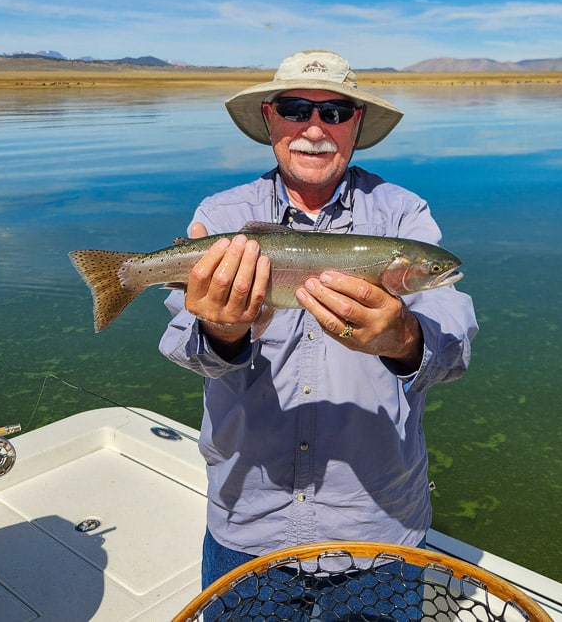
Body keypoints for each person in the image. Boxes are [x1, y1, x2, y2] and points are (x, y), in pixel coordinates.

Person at [159, 49, 478, 589]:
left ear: (356, 124)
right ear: (269, 118)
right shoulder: (222, 216)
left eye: (333, 113)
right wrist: (224, 329)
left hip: (377, 525)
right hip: (248, 521)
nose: (314, 128)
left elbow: (452, 348)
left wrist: (402, 336)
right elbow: (186, 347)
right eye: (294, 108)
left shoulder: (405, 214)